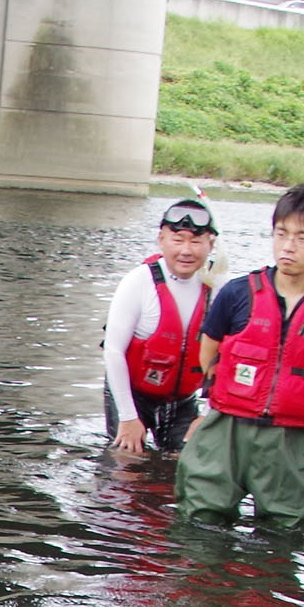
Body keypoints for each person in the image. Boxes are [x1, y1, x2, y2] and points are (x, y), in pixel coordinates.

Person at [177, 185, 304, 530]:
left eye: (303, 237)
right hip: (227, 429)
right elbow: (209, 354)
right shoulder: (236, 294)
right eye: (282, 234)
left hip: (291, 440)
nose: (288, 246)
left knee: (284, 531)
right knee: (201, 520)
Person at [103, 196, 220, 457]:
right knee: (127, 461)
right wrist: (128, 417)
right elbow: (113, 351)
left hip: (182, 399)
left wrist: (211, 415)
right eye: (177, 240)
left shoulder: (220, 288)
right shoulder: (137, 282)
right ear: (161, 241)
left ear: (210, 244)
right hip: (133, 394)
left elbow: (230, 359)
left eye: (196, 241)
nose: (186, 251)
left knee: (192, 461)